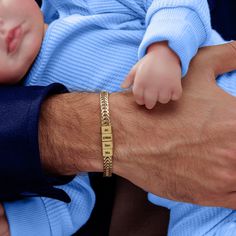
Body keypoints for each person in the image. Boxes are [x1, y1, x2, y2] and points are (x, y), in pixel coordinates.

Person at [1, 0, 236, 235]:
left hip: (226, 91)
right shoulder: (32, 112)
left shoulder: (86, 6)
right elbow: (73, 198)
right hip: (199, 201)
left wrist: (165, 48)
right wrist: (19, 223)